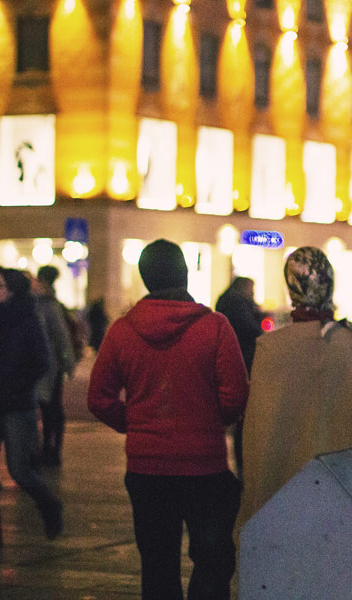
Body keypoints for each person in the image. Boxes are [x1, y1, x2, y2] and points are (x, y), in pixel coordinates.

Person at [88, 239, 249, 600]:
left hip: (146, 468)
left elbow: (99, 398)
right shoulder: (215, 327)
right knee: (213, 562)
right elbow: (236, 395)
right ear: (185, 274)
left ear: (145, 278)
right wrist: (211, 422)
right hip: (204, 466)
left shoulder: (123, 330)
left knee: (157, 566)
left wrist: (135, 423)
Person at [238, 247, 352, 526]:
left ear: (291, 288)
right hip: (348, 490)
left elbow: (261, 431)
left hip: (289, 492)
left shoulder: (271, 348)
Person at [0, 267, 62, 550]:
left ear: (12, 291)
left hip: (16, 406)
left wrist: (17, 385)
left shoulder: (26, 320)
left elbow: (42, 361)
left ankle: (49, 504)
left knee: (20, 470)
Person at [215, 276, 265, 477]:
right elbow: (250, 329)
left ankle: (242, 466)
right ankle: (244, 467)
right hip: (244, 360)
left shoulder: (227, 302)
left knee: (241, 421)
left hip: (233, 358)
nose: (253, 293)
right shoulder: (239, 304)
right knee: (244, 419)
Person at [33, 265, 77, 467]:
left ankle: (49, 450)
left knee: (48, 409)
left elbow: (61, 337)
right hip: (51, 366)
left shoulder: (45, 305)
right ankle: (50, 450)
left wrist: (67, 362)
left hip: (47, 367)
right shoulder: (52, 304)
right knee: (51, 410)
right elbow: (63, 337)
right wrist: (67, 363)